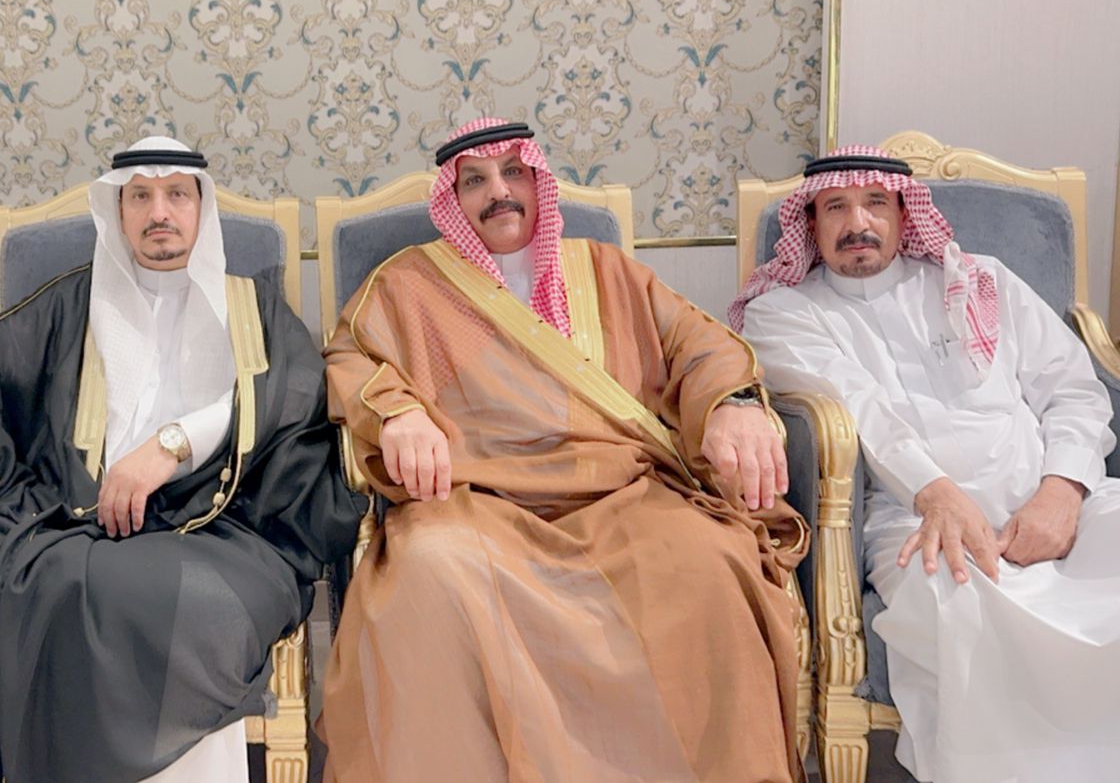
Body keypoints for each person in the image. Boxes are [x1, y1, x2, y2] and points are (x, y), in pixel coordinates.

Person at [0, 137, 362, 783]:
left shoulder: (253, 310)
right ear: (118, 210)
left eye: (176, 195)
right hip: (67, 514)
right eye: (141, 196)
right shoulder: (70, 304)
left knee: (152, 599)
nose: (159, 212)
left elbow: (295, 398)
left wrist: (172, 446)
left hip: (222, 530)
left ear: (201, 207)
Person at [320, 117, 807, 782]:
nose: (498, 192)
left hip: (625, 495)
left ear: (537, 180)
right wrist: (398, 413)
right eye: (475, 181)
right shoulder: (408, 286)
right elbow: (353, 358)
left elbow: (700, 345)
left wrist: (733, 404)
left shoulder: (605, 270)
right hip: (477, 502)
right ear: (453, 200)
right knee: (427, 572)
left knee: (711, 561)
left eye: (512, 173)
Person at [735, 145, 1120, 782]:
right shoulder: (783, 313)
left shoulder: (983, 281)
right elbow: (860, 414)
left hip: (1052, 497)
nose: (857, 222)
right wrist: (936, 494)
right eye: (836, 207)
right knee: (958, 606)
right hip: (910, 516)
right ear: (811, 223)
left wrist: (1063, 492)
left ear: (904, 213)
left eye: (875, 204)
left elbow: (1074, 390)